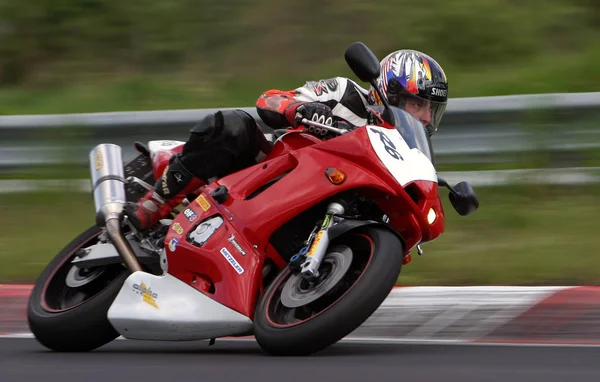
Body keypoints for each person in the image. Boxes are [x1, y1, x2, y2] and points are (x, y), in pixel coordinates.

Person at [124, 49, 449, 232]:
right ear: (388, 91)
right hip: (270, 170)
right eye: (417, 104)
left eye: (430, 110)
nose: (423, 117)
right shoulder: (346, 93)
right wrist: (301, 109)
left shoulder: (407, 151)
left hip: (318, 200)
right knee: (233, 126)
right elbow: (271, 100)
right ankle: (155, 203)